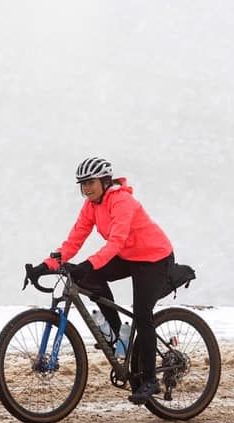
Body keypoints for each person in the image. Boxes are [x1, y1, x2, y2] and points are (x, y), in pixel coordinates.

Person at [29, 157, 174, 405]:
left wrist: (88, 263)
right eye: (82, 184)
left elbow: (116, 242)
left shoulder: (122, 201)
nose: (86, 188)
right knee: (91, 278)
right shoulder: (91, 206)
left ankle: (150, 380)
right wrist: (47, 265)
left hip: (153, 258)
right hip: (129, 256)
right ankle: (119, 336)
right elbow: (74, 241)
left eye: (90, 182)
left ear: (105, 181)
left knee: (142, 314)